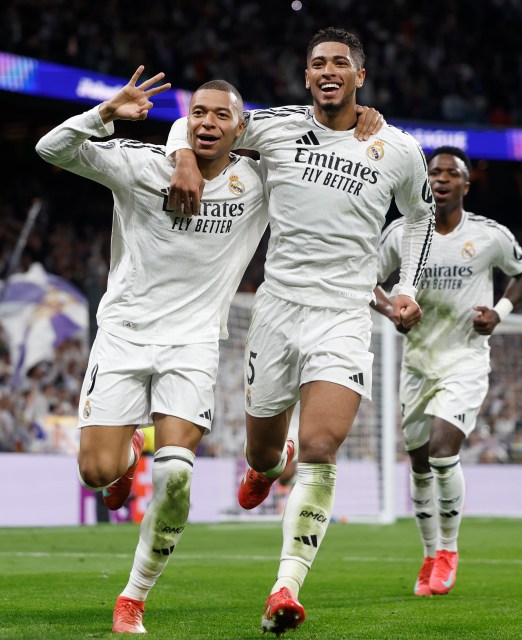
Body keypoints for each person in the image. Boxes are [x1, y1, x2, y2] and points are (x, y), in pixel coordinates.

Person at [167, 27, 435, 634]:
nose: (328, 70)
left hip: (343, 315)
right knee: (265, 451)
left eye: (341, 62)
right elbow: (201, 121)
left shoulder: (396, 148)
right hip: (277, 310)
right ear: (307, 76)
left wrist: (408, 289)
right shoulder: (274, 125)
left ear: (359, 76)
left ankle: (285, 587)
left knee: (321, 448)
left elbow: (421, 220)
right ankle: (266, 464)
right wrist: (185, 156)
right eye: (318, 63)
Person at [35, 68, 271, 634]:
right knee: (96, 473)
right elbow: (51, 149)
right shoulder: (141, 165)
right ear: (184, 121)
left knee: (177, 477)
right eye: (198, 113)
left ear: (242, 129)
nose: (208, 123)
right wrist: (105, 113)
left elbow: (309, 144)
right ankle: (126, 456)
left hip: (192, 343)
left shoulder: (261, 180)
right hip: (123, 334)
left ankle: (134, 596)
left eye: (222, 115)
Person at [374, 145, 522, 596]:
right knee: (420, 462)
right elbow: (366, 278)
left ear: (466, 184)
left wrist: (500, 311)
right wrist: (392, 311)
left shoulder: (488, 235)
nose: (441, 178)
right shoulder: (402, 234)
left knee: (444, 451)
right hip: (418, 362)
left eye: (451, 173)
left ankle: (449, 550)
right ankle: (429, 555)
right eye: (434, 172)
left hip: (464, 359)